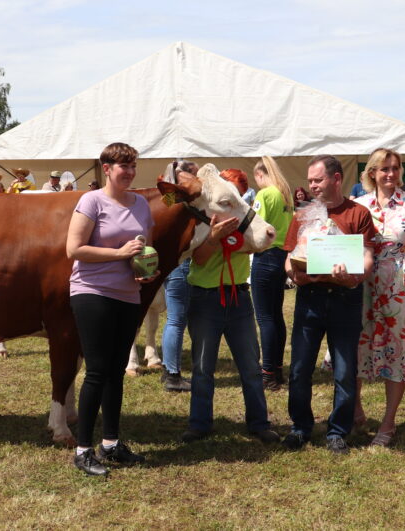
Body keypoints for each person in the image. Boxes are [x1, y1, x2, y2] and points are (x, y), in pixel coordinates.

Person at [65, 142, 159, 476]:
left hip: (127, 294)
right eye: (124, 166)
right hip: (92, 292)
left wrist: (143, 267)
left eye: (134, 166)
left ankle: (111, 443)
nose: (130, 173)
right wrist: (120, 254)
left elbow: (142, 247)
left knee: (117, 370)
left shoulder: (141, 205)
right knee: (97, 371)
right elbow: (74, 249)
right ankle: (83, 450)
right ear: (107, 168)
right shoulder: (91, 201)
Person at [282, 155, 377, 454]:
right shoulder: (303, 214)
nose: (312, 185)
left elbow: (367, 257)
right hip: (310, 299)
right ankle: (300, 427)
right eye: (310, 180)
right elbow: (288, 259)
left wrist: (353, 275)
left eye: (317, 179)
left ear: (336, 179)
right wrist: (295, 274)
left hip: (345, 299)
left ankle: (337, 432)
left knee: (344, 370)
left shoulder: (358, 213)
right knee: (299, 368)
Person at [180, 167, 280, 445]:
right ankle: (199, 424)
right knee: (202, 366)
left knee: (250, 365)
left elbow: (262, 242)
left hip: (238, 297)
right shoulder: (201, 225)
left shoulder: (244, 223)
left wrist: (238, 241)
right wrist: (214, 238)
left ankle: (259, 423)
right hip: (204, 298)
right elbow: (198, 259)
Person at [352, 148, 405, 447]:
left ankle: (388, 422)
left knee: (397, 350)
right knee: (356, 343)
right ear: (372, 172)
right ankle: (355, 408)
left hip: (398, 281)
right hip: (361, 283)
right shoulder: (358, 205)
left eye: (395, 168)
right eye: (384, 169)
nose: (391, 174)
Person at [248, 156, 295, 391]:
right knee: (276, 316)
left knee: (265, 318)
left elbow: (256, 225)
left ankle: (267, 374)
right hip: (281, 257)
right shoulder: (285, 194)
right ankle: (277, 369)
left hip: (265, 256)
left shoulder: (265, 194)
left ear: (260, 175)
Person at [159, 160, 199, 392]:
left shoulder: (168, 200)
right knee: (176, 319)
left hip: (170, 262)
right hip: (180, 262)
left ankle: (169, 369)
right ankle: (172, 375)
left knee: (174, 319)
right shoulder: (185, 202)